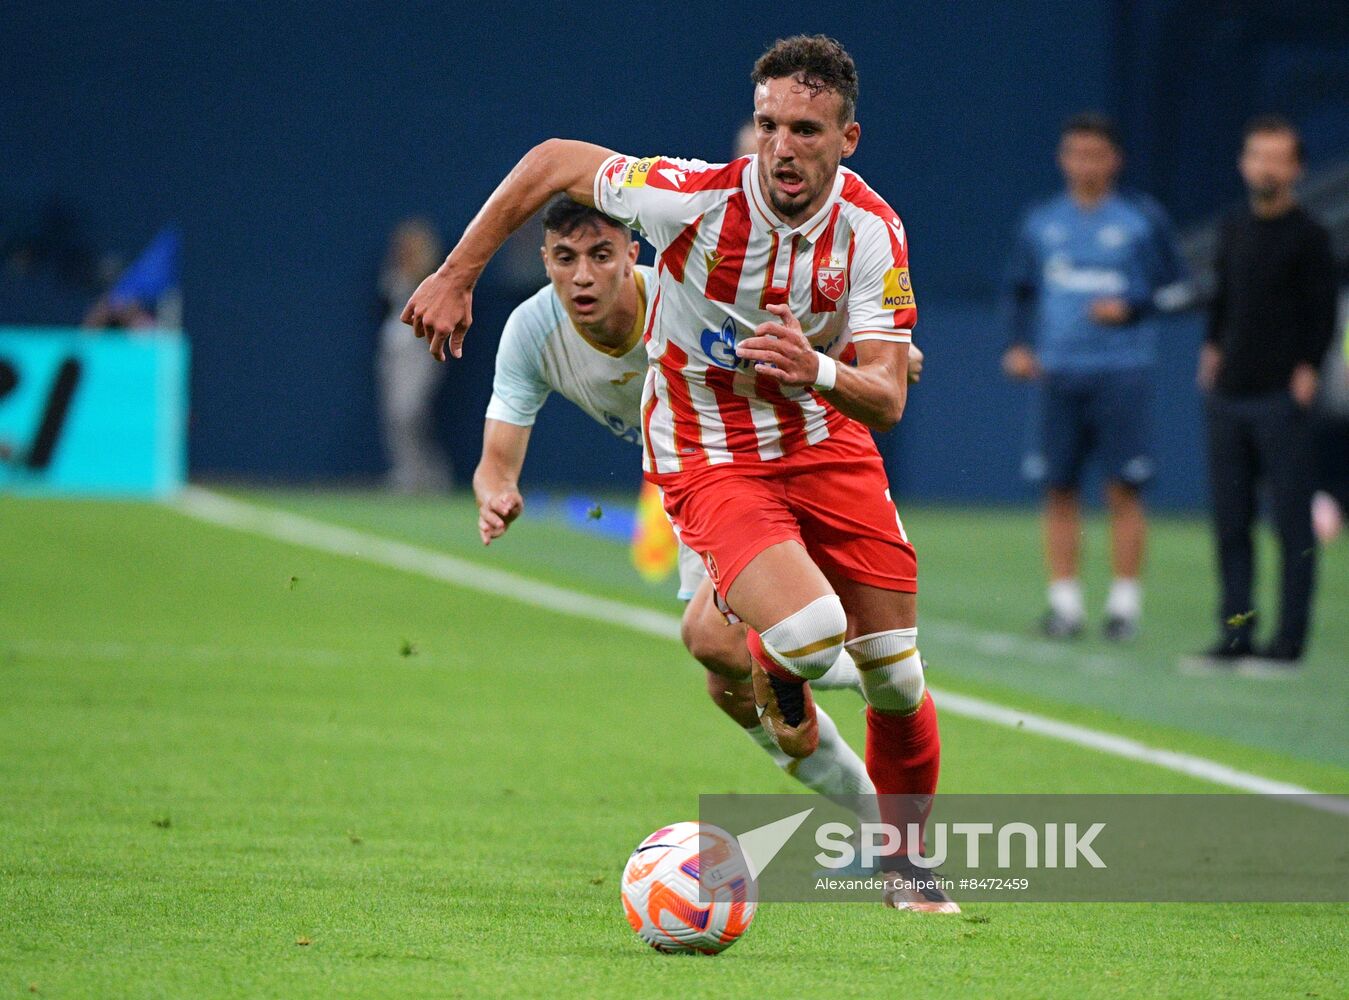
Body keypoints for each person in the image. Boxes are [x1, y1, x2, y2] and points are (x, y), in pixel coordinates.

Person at [405, 35, 956, 913]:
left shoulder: (872, 230)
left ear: (846, 139)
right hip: (711, 453)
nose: (782, 145)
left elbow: (885, 398)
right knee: (801, 638)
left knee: (896, 678)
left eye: (805, 129)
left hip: (824, 442)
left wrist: (816, 368)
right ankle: (786, 664)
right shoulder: (687, 199)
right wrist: (455, 272)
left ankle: (908, 864)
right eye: (769, 124)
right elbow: (552, 160)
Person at [473, 196, 931, 823]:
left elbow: (786, 334)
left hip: (753, 463)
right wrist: (497, 493)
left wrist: (870, 354)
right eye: (564, 258)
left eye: (600, 255)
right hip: (685, 479)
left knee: (712, 635)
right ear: (545, 263)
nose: (582, 275)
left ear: (633, 254)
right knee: (725, 677)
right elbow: (497, 457)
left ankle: (856, 668)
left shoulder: (682, 294)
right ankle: (873, 803)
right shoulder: (532, 330)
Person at [1001, 113, 1188, 641]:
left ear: (1114, 160)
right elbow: (1019, 290)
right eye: (1074, 153)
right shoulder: (1042, 222)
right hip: (1059, 373)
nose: (1083, 163)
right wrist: (1018, 345)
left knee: (1124, 487)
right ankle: (1065, 606)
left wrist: (1131, 308)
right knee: (1057, 488)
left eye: (1094, 153)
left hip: (1121, 372)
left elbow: (1178, 288)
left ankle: (1124, 607)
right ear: (1063, 158)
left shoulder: (1140, 220)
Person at [1193, 116, 1337, 672]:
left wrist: (1307, 369)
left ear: (1296, 168)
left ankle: (1289, 641)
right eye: (1258, 156)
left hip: (1282, 397)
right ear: (1243, 162)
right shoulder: (1234, 227)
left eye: (1278, 158)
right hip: (1229, 395)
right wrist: (1211, 351)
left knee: (1292, 524)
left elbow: (1322, 312)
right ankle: (1236, 634)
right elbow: (1223, 299)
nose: (1266, 167)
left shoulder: (1311, 236)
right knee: (1231, 520)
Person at [377, 218, 452, 494]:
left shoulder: (429, 276)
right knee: (394, 415)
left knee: (411, 413)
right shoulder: (392, 272)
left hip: (420, 351)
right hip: (393, 349)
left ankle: (431, 473)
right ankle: (406, 472)